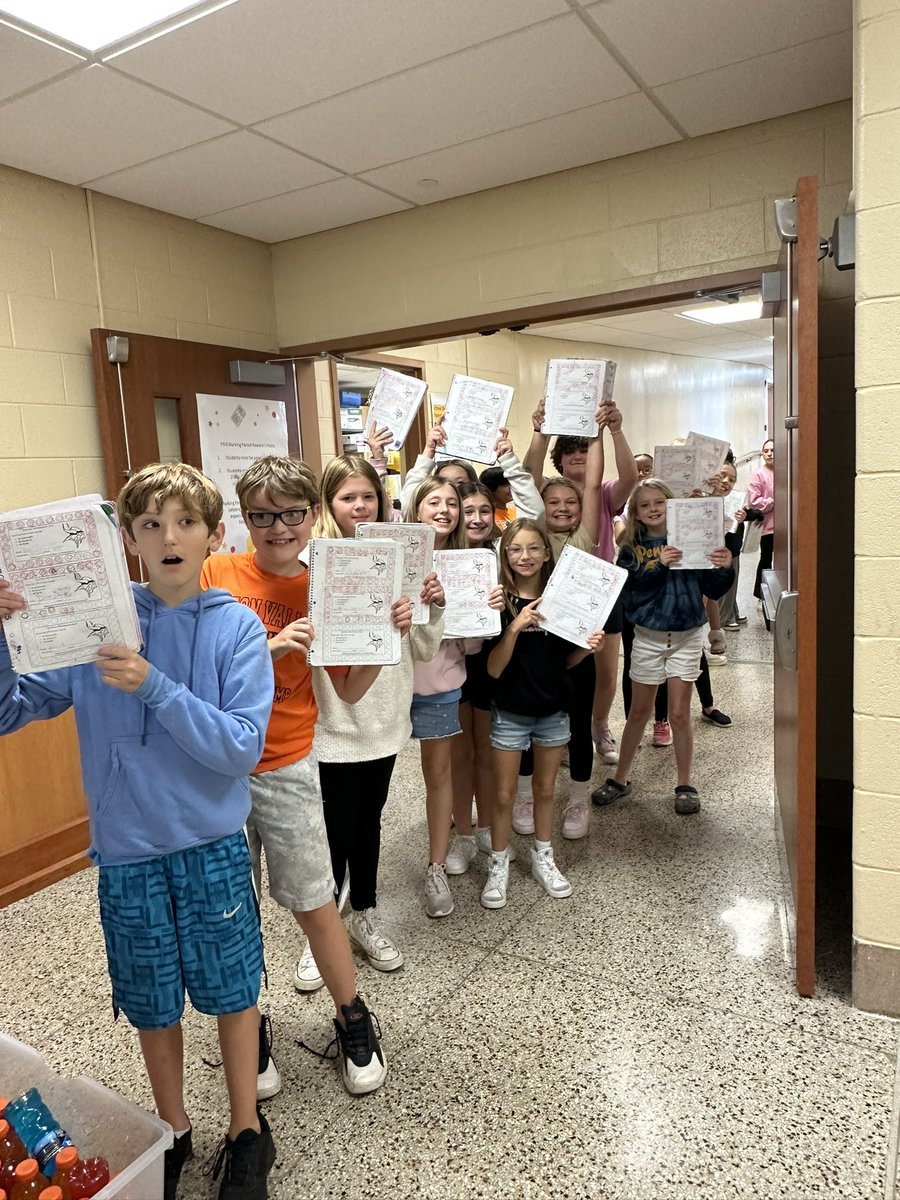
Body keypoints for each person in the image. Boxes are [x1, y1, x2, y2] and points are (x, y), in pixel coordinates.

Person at [0, 463, 277, 1200]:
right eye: (150, 524)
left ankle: (246, 1129)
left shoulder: (237, 628)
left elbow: (240, 749)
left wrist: (155, 684)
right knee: (152, 1002)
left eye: (186, 522)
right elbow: (8, 709)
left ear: (215, 536)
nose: (169, 537)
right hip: (127, 855)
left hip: (212, 847)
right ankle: (174, 1127)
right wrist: (3, 636)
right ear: (126, 540)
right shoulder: (97, 625)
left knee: (231, 993)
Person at [201, 456, 397, 1100]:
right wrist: (272, 645)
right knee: (233, 908)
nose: (277, 528)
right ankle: (247, 1024)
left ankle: (352, 1016)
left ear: (311, 515)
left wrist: (378, 640)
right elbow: (195, 674)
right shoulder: (217, 572)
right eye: (262, 515)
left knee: (314, 897)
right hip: (214, 769)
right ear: (244, 518)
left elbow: (348, 685)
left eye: (291, 513)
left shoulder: (327, 582)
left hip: (285, 760)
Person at [307, 455, 444, 972]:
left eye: (367, 496)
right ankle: (320, 931)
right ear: (328, 505)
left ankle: (362, 914)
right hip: (332, 724)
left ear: (382, 501)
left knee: (369, 824)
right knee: (331, 829)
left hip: (386, 721)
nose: (359, 506)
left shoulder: (405, 559)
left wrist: (434, 605)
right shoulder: (315, 563)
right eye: (346, 497)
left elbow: (426, 648)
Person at [482, 519, 604, 909]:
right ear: (505, 555)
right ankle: (498, 863)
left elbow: (567, 662)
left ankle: (543, 856)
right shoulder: (498, 603)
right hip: (510, 712)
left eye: (534, 548)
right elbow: (493, 669)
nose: (525, 556)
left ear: (548, 553)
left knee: (547, 790)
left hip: (553, 710)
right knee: (503, 795)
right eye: (516, 549)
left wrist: (588, 647)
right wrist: (514, 627)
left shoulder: (561, 597)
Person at [592, 478, 733, 815]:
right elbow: (630, 592)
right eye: (645, 505)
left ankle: (685, 783)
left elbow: (711, 587)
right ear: (636, 512)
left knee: (680, 714)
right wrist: (659, 566)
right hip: (648, 637)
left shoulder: (693, 541)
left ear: (672, 506)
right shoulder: (631, 548)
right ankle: (620, 778)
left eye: (660, 503)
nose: (653, 509)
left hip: (686, 637)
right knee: (639, 712)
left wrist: (725, 567)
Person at [403, 476, 502, 917]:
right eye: (432, 501)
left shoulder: (472, 563)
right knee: (368, 787)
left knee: (438, 774)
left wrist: (486, 609)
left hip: (440, 685)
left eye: (451, 504)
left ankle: (436, 865)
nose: (443, 510)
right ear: (415, 507)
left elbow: (473, 644)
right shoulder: (393, 553)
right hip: (381, 688)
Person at [446, 432, 543, 875]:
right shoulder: (440, 554)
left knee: (485, 749)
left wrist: (510, 456)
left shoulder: (503, 552)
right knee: (458, 754)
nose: (479, 517)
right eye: (469, 511)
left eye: (486, 510)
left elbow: (534, 514)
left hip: (492, 663)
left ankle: (486, 827)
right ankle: (463, 834)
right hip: (448, 663)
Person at [523, 402, 638, 765]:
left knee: (604, 670)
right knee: (562, 669)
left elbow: (611, 480)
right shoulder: (542, 494)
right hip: (554, 595)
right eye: (570, 449)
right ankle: (563, 733)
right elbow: (527, 475)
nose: (562, 506)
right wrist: (540, 429)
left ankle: (598, 725)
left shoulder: (598, 495)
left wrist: (604, 431)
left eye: (583, 449)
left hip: (602, 588)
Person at [748, 438, 775, 600]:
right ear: (762, 454)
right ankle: (761, 594)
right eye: (766, 451)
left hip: (785, 526)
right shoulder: (757, 476)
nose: (770, 454)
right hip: (767, 527)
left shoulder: (785, 472)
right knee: (766, 559)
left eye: (773, 450)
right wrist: (773, 501)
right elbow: (754, 502)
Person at [479, 464, 516, 530]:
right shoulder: (485, 516)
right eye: (506, 484)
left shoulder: (516, 511)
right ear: (492, 488)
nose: (512, 488)